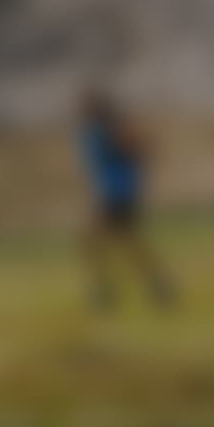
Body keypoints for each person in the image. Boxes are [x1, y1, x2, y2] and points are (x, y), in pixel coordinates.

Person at [79, 88, 178, 310]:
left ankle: (105, 291)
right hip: (113, 194)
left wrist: (129, 153)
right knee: (127, 244)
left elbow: (140, 149)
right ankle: (158, 285)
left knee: (93, 241)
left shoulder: (110, 129)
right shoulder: (97, 130)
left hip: (118, 195)